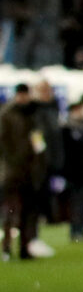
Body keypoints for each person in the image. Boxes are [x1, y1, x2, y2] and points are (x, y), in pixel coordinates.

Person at [0, 82, 52, 260]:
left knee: (29, 213)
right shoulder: (7, 115)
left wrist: (40, 162)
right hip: (12, 172)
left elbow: (39, 142)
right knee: (11, 211)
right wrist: (12, 162)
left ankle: (25, 248)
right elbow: (4, 144)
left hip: (31, 172)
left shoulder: (33, 115)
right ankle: (6, 247)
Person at [60, 96, 83, 242]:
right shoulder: (68, 128)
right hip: (75, 171)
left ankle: (81, 228)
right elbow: (79, 145)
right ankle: (76, 230)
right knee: (76, 202)